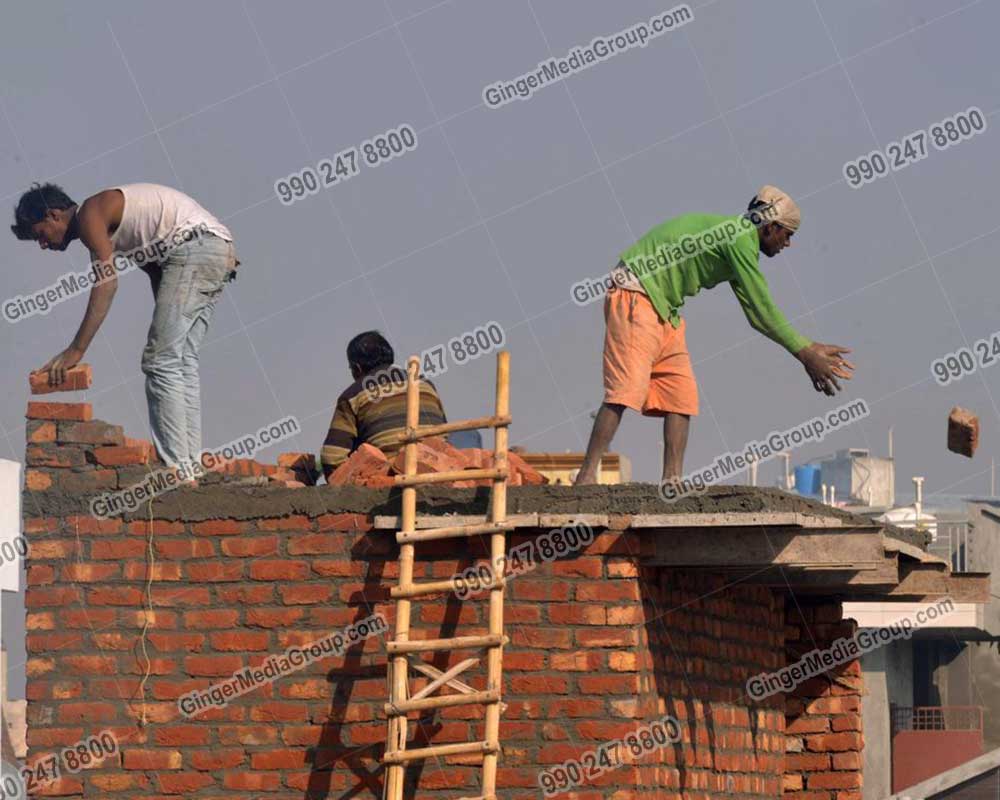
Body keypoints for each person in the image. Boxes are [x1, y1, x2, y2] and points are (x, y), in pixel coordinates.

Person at [574, 185, 854, 486]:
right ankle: (587, 477)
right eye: (787, 234)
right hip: (636, 291)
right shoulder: (739, 238)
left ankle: (672, 482)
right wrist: (806, 352)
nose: (788, 243)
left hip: (665, 308)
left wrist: (806, 350)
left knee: (680, 396)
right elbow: (763, 309)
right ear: (771, 227)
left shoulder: (738, 242)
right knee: (625, 390)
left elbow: (757, 315)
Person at [11, 182, 238, 477]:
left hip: (195, 249)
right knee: (180, 359)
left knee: (160, 361)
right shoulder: (106, 227)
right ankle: (190, 468)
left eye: (40, 234)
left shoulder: (89, 215)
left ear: (53, 215)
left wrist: (75, 350)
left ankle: (177, 474)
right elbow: (156, 268)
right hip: (217, 248)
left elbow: (106, 284)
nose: (43, 245)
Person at [321, 331, 447, 480]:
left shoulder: (353, 394)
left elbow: (332, 457)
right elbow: (444, 435)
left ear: (357, 368)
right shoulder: (425, 384)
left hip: (389, 475)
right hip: (438, 470)